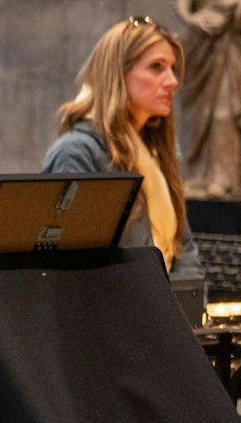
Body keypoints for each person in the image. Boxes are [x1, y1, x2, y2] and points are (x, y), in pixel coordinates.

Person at [44, 16, 204, 286]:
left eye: (173, 68)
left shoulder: (156, 150)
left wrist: (187, 300)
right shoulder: (76, 152)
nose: (172, 81)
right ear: (117, 73)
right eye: (156, 67)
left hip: (160, 310)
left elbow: (183, 247)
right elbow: (70, 266)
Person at [175, 0, 241, 197]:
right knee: (201, 114)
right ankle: (200, 174)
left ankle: (225, 178)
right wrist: (193, 19)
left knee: (225, 113)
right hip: (202, 52)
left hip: (232, 54)